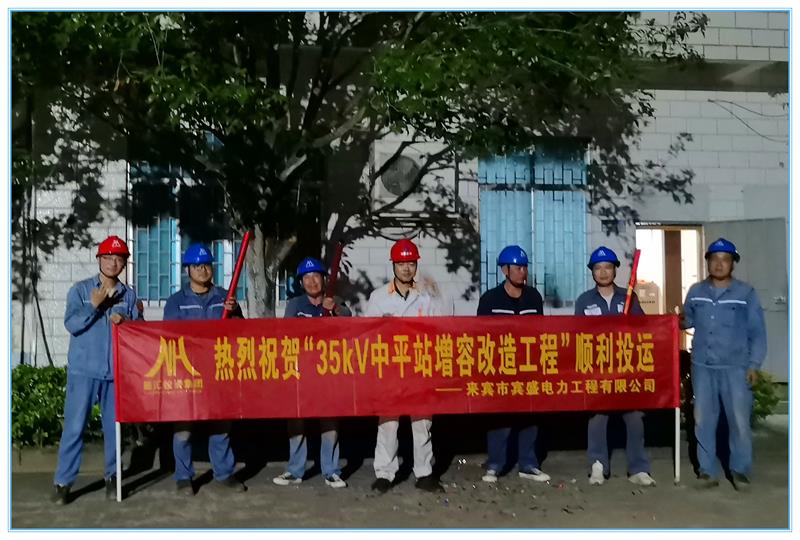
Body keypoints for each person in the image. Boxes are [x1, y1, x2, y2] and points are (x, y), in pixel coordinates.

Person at [52, 235, 143, 505]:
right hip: (83, 372)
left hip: (115, 373)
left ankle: (113, 477)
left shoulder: (129, 295)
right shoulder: (81, 291)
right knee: (74, 428)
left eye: (119, 259)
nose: (113, 263)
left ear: (125, 263)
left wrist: (126, 320)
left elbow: (139, 330)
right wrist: (93, 305)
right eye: (108, 258)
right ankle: (63, 482)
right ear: (99, 260)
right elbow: (71, 324)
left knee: (114, 430)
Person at [680, 238, 766, 491]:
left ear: (732, 264)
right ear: (707, 262)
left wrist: (754, 364)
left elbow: (757, 332)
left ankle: (740, 471)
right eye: (714, 259)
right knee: (703, 420)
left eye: (725, 260)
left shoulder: (745, 293)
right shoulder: (696, 291)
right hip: (703, 367)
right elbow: (687, 320)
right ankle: (707, 471)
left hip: (736, 367)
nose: (719, 264)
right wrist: (675, 321)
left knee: (739, 422)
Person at [163, 243, 246, 496]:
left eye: (207, 265)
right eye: (197, 266)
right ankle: (183, 477)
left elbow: (241, 332)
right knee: (183, 429)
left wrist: (234, 313)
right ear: (187, 270)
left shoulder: (225, 298)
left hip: (219, 372)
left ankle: (224, 473)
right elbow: (170, 338)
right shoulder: (176, 302)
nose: (202, 270)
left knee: (221, 427)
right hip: (187, 373)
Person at [364, 239, 444, 493]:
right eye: (401, 263)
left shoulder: (427, 296)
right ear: (393, 266)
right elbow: (368, 334)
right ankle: (384, 473)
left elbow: (439, 329)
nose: (406, 268)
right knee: (388, 423)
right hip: (390, 369)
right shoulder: (378, 297)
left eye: (411, 263)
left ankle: (424, 472)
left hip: (420, 367)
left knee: (422, 423)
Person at [574, 246, 655, 487]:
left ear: (615, 270)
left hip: (626, 369)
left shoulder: (628, 297)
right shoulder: (584, 301)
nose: (603, 272)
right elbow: (577, 334)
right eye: (598, 268)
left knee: (635, 417)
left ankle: (638, 468)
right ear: (592, 272)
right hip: (598, 370)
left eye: (607, 267)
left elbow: (643, 328)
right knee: (597, 418)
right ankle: (598, 465)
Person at [273, 257, 351, 489]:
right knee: (296, 421)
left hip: (329, 372)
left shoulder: (335, 301)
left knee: (330, 421)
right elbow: (286, 335)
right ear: (301, 282)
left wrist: (335, 309)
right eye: (306, 277)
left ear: (324, 279)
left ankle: (331, 470)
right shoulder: (295, 305)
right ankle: (295, 470)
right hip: (301, 372)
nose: (312, 281)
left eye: (316, 276)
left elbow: (350, 322)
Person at [478, 245, 551, 485]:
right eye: (517, 268)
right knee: (500, 418)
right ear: (504, 270)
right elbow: (480, 335)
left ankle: (528, 464)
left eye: (524, 267)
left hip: (528, 367)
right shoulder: (490, 299)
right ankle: (495, 464)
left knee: (530, 416)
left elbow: (540, 332)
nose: (522, 272)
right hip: (500, 367)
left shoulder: (534, 297)